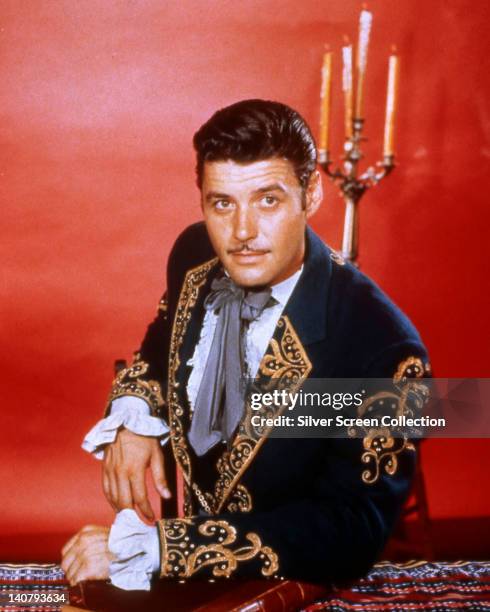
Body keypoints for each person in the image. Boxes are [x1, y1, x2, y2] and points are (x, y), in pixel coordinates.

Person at [61, 99, 430, 590]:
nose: (242, 234)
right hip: (184, 592)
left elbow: (353, 529)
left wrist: (162, 549)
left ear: (312, 194)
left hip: (287, 590)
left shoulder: (385, 350)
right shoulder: (194, 253)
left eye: (268, 200)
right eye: (223, 203)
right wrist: (134, 414)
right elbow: (161, 341)